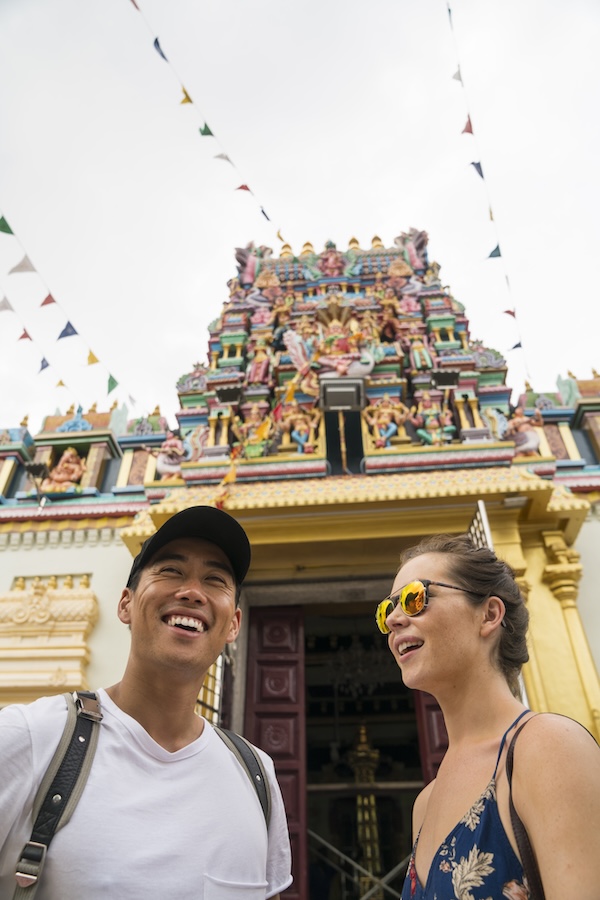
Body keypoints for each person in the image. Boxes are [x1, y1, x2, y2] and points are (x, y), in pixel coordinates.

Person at [0, 506, 293, 899]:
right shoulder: (33, 738)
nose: (192, 591)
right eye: (170, 571)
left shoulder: (257, 775)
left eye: (215, 580)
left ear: (234, 624)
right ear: (125, 604)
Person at [376, 533, 600, 900]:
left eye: (415, 598)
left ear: (489, 614)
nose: (395, 620)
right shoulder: (426, 803)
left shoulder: (548, 749)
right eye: (386, 611)